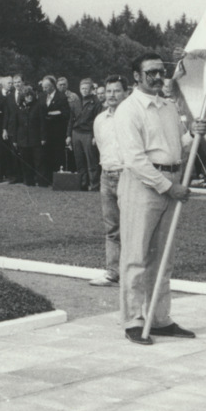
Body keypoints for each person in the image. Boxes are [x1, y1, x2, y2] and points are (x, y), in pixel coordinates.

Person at [114, 52, 206, 345]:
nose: (157, 77)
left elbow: (176, 144)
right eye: (150, 72)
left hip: (171, 181)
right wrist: (169, 187)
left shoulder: (168, 107)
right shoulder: (128, 110)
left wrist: (195, 134)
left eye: (160, 72)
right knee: (136, 256)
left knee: (163, 256)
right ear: (137, 77)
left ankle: (159, 318)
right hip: (143, 186)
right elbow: (134, 159)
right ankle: (133, 320)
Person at [88, 74, 127, 287]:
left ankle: (132, 273)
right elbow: (102, 147)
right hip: (107, 175)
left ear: (126, 93)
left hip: (128, 176)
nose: (112, 95)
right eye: (109, 91)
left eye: (117, 91)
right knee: (112, 228)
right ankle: (112, 271)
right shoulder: (100, 120)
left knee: (131, 228)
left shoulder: (131, 116)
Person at [69, 77, 101, 191]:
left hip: (88, 134)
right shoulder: (76, 101)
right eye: (82, 88)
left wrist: (94, 136)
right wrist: (68, 135)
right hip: (76, 133)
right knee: (79, 160)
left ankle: (94, 185)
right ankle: (82, 184)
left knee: (91, 160)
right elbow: (71, 119)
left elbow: (97, 121)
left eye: (86, 88)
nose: (84, 90)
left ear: (91, 89)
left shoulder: (96, 102)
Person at [10, 83, 44, 186]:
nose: (29, 97)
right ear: (22, 97)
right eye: (26, 95)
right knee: (26, 162)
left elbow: (42, 123)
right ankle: (29, 181)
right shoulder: (18, 108)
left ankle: (42, 181)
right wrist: (15, 140)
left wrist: (43, 137)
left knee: (39, 161)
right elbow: (15, 124)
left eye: (30, 95)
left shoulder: (38, 106)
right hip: (22, 140)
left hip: (36, 138)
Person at [38, 76, 70, 180]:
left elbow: (66, 114)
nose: (44, 89)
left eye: (46, 87)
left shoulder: (62, 97)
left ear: (52, 86)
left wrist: (56, 113)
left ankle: (57, 179)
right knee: (46, 155)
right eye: (43, 87)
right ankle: (46, 178)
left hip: (57, 132)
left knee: (57, 155)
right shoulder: (42, 96)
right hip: (45, 131)